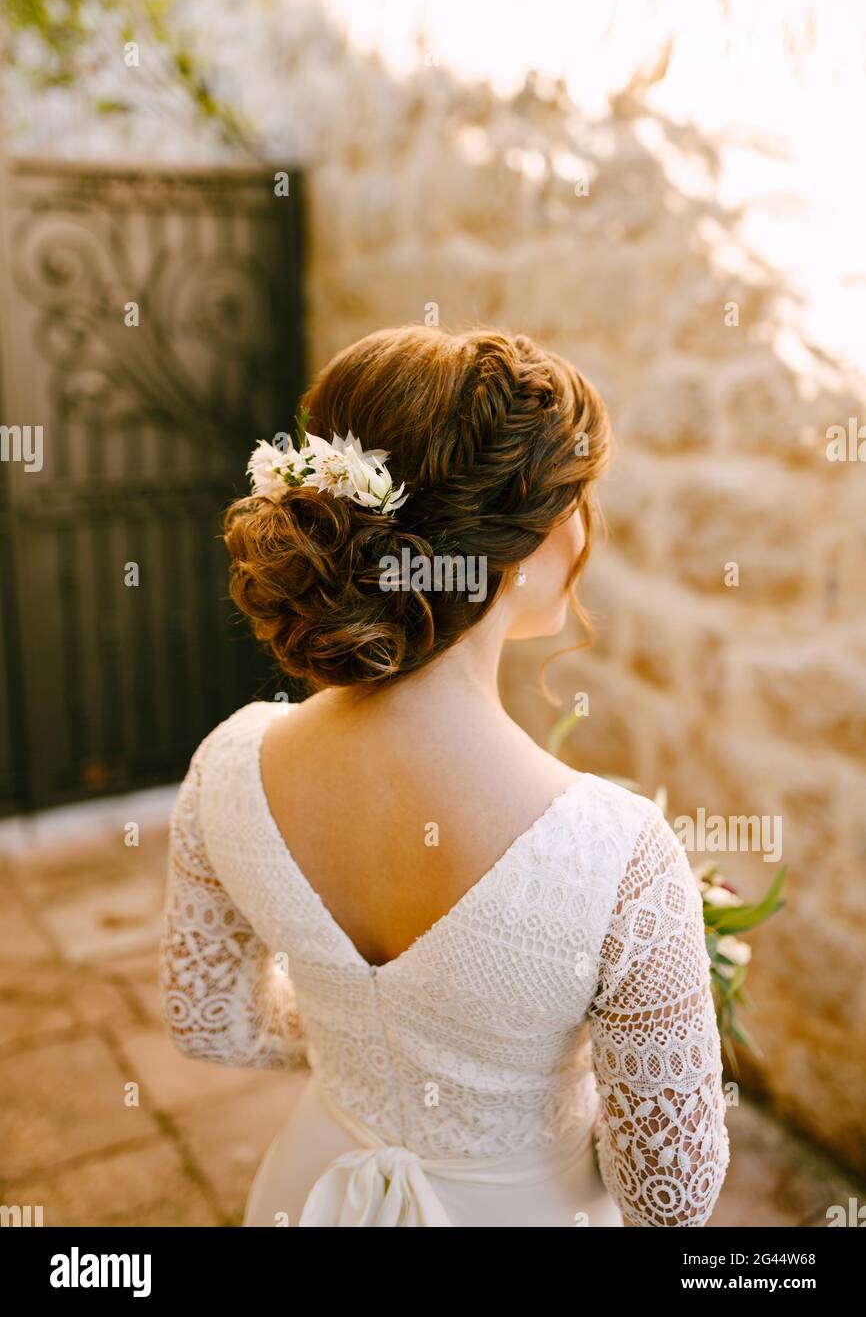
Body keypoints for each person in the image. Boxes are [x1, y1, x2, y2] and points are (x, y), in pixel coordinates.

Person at [158, 325, 730, 1227]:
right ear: (514, 547)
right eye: (576, 500)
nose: (588, 530)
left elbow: (208, 1020)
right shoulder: (619, 856)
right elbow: (671, 1195)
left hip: (309, 1188)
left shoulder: (228, 763)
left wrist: (365, 1033)